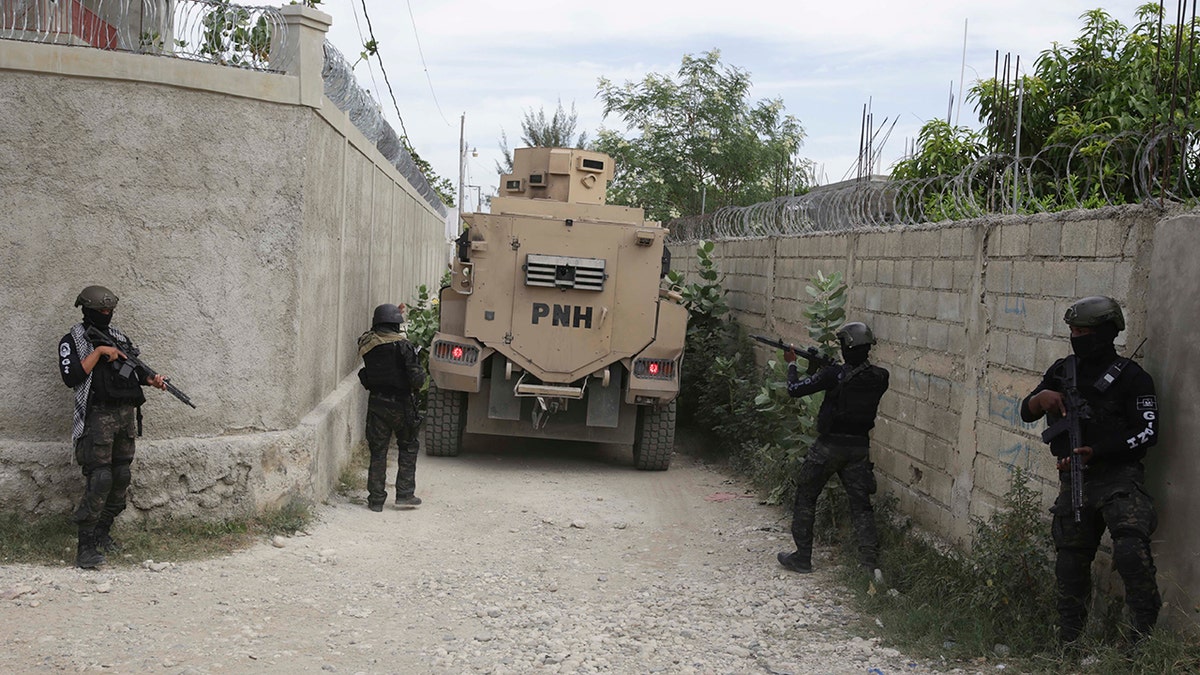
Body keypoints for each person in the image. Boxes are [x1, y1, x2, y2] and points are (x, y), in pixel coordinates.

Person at [1020, 296, 1160, 644]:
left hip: (1119, 478)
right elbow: (1027, 410)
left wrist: (1096, 450)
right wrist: (1042, 399)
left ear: (1106, 332)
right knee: (1070, 561)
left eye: (1084, 330)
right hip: (1075, 480)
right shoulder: (1061, 371)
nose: (1076, 336)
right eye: (1072, 330)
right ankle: (1070, 641)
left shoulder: (1133, 378)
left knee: (1130, 552)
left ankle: (1142, 641)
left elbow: (1147, 432)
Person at [58, 285, 167, 569]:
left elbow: (131, 369)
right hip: (97, 417)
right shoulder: (73, 340)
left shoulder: (118, 337)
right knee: (100, 478)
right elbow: (71, 377)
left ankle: (102, 533)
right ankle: (85, 547)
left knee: (120, 476)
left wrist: (151, 379)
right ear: (86, 310)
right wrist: (100, 352)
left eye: (109, 311)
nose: (105, 315)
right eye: (100, 311)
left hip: (124, 417)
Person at [776, 322, 890, 577]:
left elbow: (795, 390)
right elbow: (851, 383)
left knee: (806, 496)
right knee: (861, 506)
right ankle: (869, 567)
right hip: (859, 449)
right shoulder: (881, 377)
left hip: (828, 447)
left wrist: (793, 364)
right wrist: (821, 369)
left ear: (847, 347)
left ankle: (802, 558)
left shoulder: (833, 375)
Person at [357, 303, 426, 512]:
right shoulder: (404, 346)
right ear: (396, 325)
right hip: (401, 405)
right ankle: (404, 495)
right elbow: (417, 380)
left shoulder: (368, 345)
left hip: (377, 403)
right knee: (408, 447)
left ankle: (376, 500)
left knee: (378, 451)